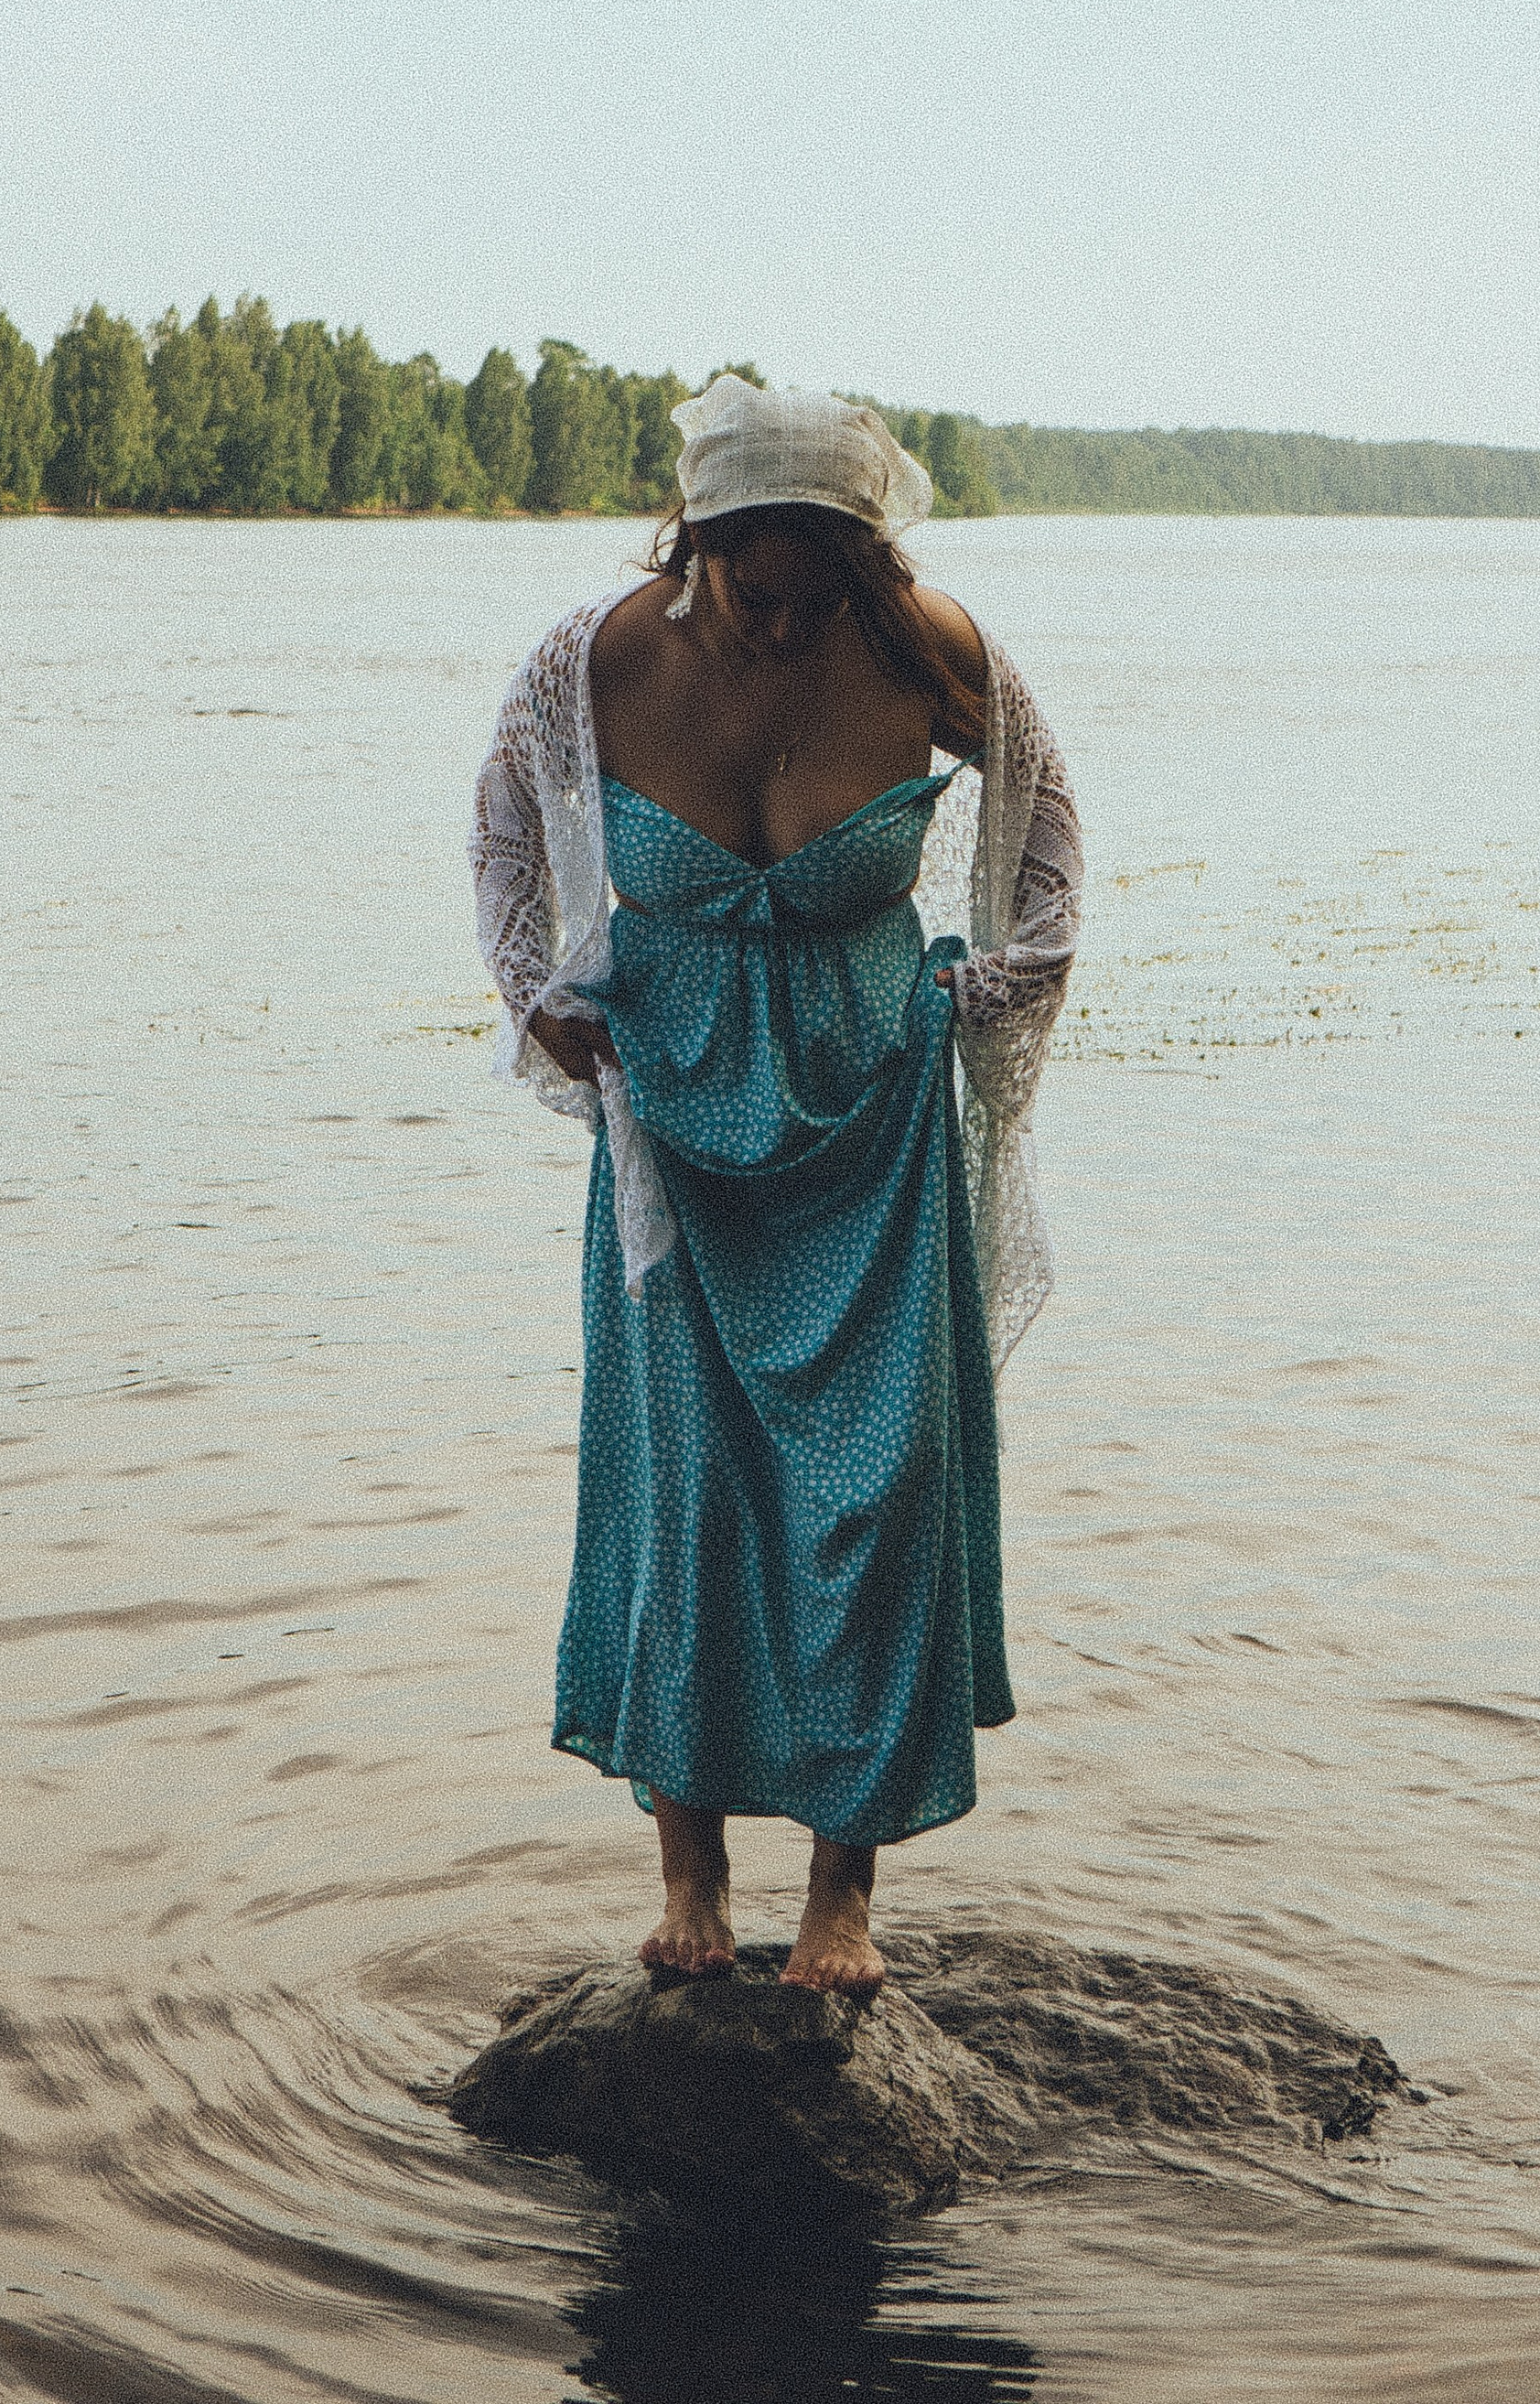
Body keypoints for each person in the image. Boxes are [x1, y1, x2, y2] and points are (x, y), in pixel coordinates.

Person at [469, 377, 1081, 1997]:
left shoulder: (924, 647)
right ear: (700, 540)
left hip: (871, 1125)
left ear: (864, 562)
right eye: (760, 581)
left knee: (875, 1496)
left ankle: (841, 1904)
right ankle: (688, 1888)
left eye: (825, 584)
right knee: (690, 1494)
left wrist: (986, 988)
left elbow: (1052, 840)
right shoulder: (592, 661)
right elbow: (503, 848)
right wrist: (539, 997)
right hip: (670, 1134)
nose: (787, 618)